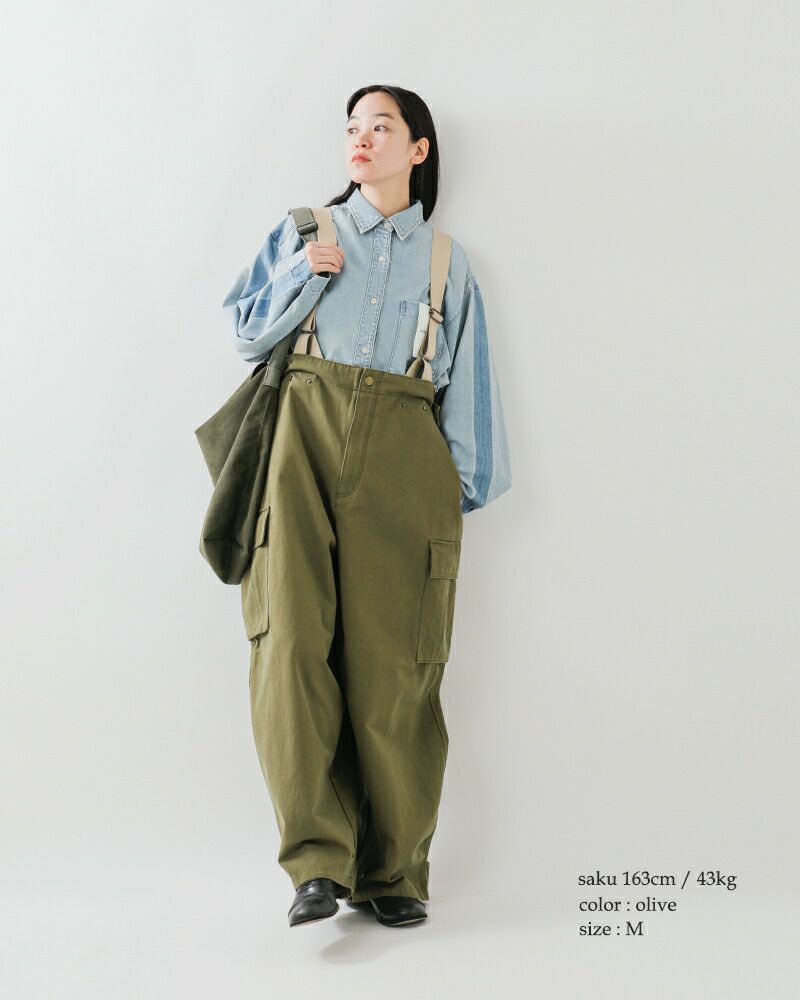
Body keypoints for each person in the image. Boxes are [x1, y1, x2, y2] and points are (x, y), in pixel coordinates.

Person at [221, 84, 512, 928]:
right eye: (352, 127)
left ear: (418, 148)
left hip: (406, 456)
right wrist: (303, 277)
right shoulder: (305, 231)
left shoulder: (448, 263)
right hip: (299, 448)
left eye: (380, 126)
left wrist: (445, 498)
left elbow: (469, 392)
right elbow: (245, 331)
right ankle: (315, 864)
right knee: (289, 648)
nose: (361, 139)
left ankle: (394, 873)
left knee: (397, 667)